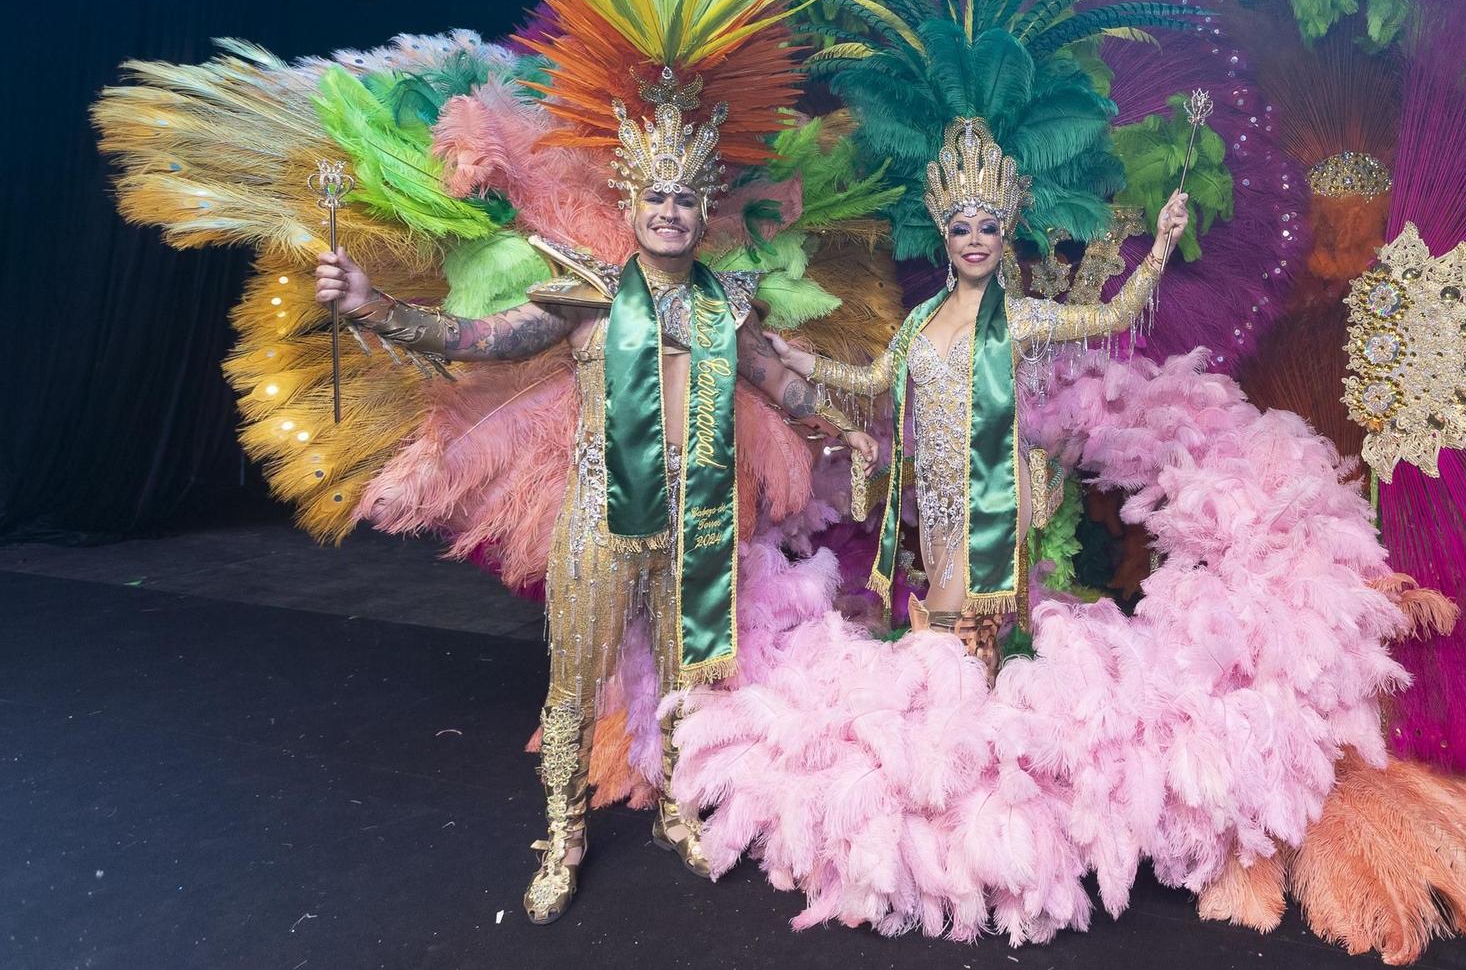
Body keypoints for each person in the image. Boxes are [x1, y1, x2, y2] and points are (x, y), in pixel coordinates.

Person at [314, 99, 872, 924]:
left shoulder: (727, 304)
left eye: (685, 198)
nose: (672, 212)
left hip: (702, 518)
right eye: (656, 198)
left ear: (700, 209)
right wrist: (375, 306)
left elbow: (776, 382)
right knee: (575, 678)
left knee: (689, 675)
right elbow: (480, 339)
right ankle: (563, 835)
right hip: (603, 513)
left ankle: (679, 811)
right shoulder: (588, 297)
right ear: (633, 207)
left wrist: (846, 428)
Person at [769, 118, 1190, 673]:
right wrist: (806, 362)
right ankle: (972, 726)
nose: (974, 240)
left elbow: (1115, 315)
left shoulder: (1017, 319)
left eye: (987, 228)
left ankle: (969, 725)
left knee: (954, 620)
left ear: (1003, 236)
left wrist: (1162, 243)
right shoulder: (920, 320)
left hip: (992, 488)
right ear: (945, 236)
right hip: (938, 494)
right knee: (963, 631)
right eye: (961, 228)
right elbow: (875, 379)